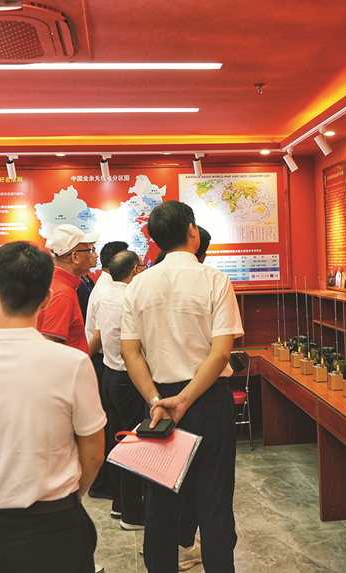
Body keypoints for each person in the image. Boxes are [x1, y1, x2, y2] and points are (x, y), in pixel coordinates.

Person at [0, 241, 106, 573]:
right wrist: (71, 495)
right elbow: (93, 454)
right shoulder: (73, 363)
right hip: (57, 524)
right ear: (46, 298)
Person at [122, 200, 245, 573]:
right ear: (192, 231)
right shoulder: (214, 280)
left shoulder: (138, 285)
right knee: (214, 502)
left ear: (156, 239)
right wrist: (186, 399)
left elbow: (130, 352)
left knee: (160, 505)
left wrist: (157, 400)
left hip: (158, 405)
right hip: (207, 401)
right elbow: (221, 353)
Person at [89, 249, 146, 529]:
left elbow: (99, 336)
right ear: (135, 270)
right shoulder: (130, 298)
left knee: (115, 442)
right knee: (132, 445)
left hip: (109, 375)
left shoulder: (106, 295)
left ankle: (119, 504)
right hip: (127, 377)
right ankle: (132, 514)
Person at [38, 224, 100, 354]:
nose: (93, 255)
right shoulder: (63, 293)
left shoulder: (57, 284)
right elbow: (48, 347)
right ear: (75, 257)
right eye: (89, 251)